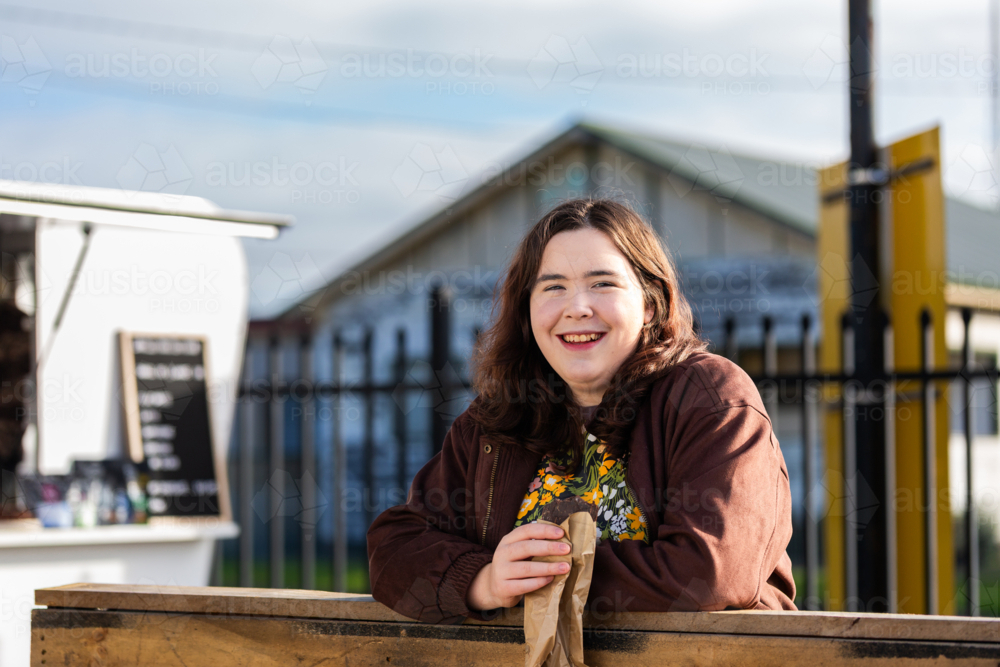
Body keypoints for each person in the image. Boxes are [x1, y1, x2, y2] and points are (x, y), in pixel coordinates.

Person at [367, 198, 796, 623]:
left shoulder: (710, 397)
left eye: (603, 283)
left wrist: (543, 576)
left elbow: (710, 572)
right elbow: (394, 548)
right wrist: (484, 580)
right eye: (553, 287)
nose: (577, 307)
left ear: (650, 303)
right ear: (528, 309)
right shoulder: (497, 418)